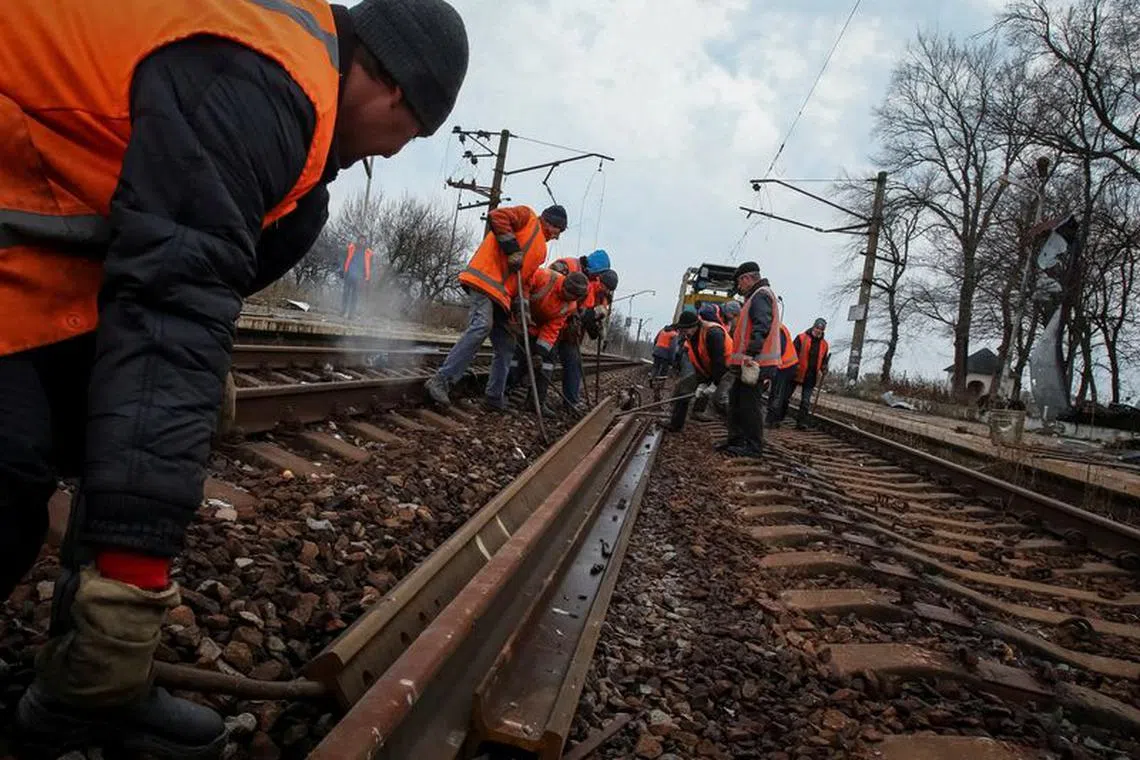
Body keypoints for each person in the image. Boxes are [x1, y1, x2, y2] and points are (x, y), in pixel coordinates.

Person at [0, 0, 469, 755]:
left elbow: (174, 273)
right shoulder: (264, 80)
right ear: (394, 91)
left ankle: (79, 688)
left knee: (102, 413)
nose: (394, 154)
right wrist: (133, 579)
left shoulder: (292, 121)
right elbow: (168, 315)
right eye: (412, 134)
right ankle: (98, 662)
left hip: (29, 245)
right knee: (10, 469)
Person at [424, 204, 568, 409]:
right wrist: (512, 249)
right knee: (482, 326)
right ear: (549, 221)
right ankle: (441, 380)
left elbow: (525, 283)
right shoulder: (527, 217)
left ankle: (494, 399)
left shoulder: (541, 251)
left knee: (507, 345)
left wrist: (523, 314)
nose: (557, 235)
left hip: (502, 296)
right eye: (558, 230)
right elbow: (497, 216)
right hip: (484, 281)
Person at [507, 269, 589, 413]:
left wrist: (540, 353)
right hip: (521, 319)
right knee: (516, 360)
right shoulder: (545, 277)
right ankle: (505, 391)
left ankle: (536, 401)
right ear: (564, 285)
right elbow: (524, 286)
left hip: (540, 329)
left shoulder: (570, 306)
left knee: (546, 364)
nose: (568, 298)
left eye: (572, 297)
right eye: (567, 294)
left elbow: (552, 329)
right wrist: (522, 311)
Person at [722, 262, 782, 457]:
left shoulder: (761, 295)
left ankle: (754, 447)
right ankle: (736, 440)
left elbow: (761, 325)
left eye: (740, 282)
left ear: (747, 278)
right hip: (749, 362)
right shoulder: (755, 297)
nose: (739, 288)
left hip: (756, 362)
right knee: (736, 400)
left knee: (750, 405)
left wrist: (751, 353)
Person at [665, 310, 731, 432]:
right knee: (683, 387)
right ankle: (675, 424)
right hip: (709, 369)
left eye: (685, 330)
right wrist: (702, 382)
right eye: (682, 330)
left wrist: (713, 385)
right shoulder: (692, 336)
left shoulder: (713, 333)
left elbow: (719, 362)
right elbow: (700, 359)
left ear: (694, 326)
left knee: (720, 399)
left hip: (728, 369)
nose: (683, 333)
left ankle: (738, 432)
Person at [792, 318, 830, 429]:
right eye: (817, 328)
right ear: (813, 327)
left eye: (821, 329)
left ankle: (801, 423)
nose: (818, 331)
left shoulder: (824, 345)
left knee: (805, 402)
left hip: (811, 377)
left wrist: (824, 368)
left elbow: (824, 360)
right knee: (785, 397)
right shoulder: (801, 338)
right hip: (796, 373)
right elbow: (793, 354)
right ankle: (777, 418)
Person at [767, 323, 799, 427]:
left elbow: (778, 350)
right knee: (779, 394)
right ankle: (777, 418)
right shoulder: (777, 327)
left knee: (777, 393)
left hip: (785, 366)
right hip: (786, 365)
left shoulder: (777, 329)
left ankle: (772, 420)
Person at [342, 241, 374, 318]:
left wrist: (367, 276)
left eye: (363, 241)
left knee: (355, 296)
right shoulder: (351, 248)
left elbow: (370, 265)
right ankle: (343, 311)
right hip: (349, 274)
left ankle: (351, 314)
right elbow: (344, 259)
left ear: (365, 243)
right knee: (346, 293)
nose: (362, 242)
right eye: (360, 240)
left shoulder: (368, 253)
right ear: (358, 241)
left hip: (359, 277)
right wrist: (343, 270)